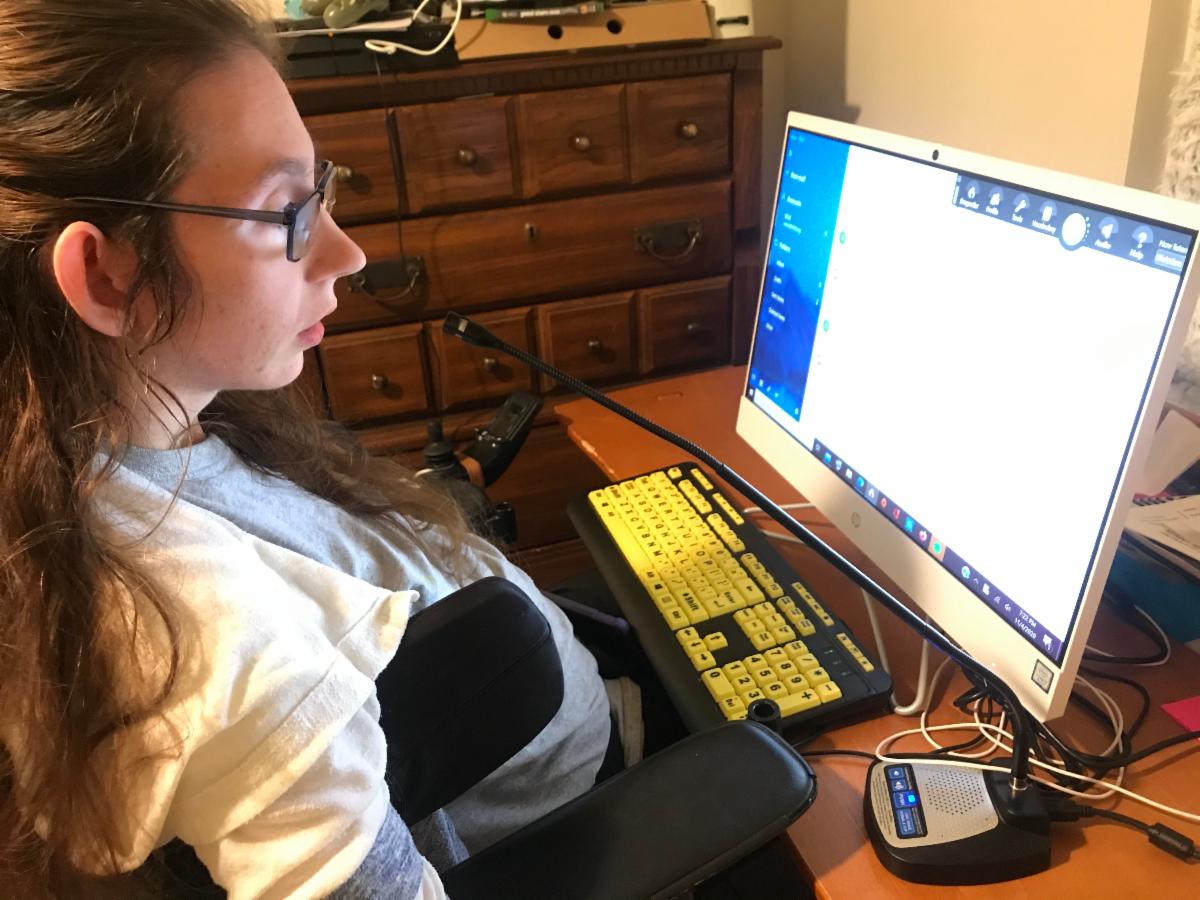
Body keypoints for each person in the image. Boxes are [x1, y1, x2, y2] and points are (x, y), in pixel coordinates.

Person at [0, 1, 637, 896]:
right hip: (603, 816)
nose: (345, 250)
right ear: (107, 276)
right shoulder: (226, 660)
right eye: (284, 213)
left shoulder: (148, 426)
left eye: (320, 190)